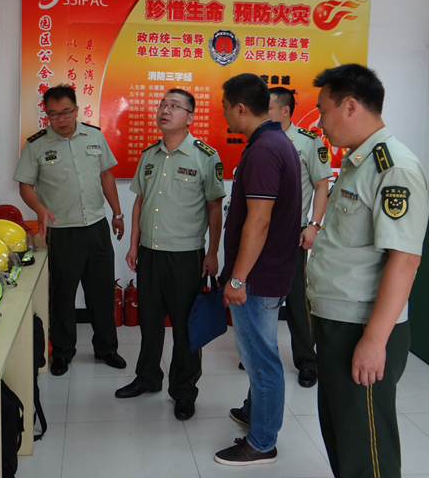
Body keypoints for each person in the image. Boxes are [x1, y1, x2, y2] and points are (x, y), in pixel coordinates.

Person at [308, 64, 429, 478]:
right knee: (343, 434)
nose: (320, 122)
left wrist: (375, 341)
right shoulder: (358, 163)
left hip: (362, 326)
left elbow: (405, 259)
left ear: (350, 106)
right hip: (338, 319)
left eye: (323, 111)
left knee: (367, 450)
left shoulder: (393, 168)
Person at [115, 89, 225, 421]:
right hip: (150, 253)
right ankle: (148, 378)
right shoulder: (149, 155)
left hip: (186, 256)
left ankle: (184, 390)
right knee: (149, 322)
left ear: (190, 117)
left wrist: (212, 252)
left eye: (174, 106)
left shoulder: (205, 156)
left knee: (185, 327)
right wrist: (133, 245)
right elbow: (139, 202)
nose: (165, 110)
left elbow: (215, 207)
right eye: (163, 105)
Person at [214, 73, 301, 466]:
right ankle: (255, 411)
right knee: (260, 351)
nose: (223, 116)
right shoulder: (275, 141)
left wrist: (237, 279)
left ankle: (262, 443)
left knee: (261, 359)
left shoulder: (265, 149)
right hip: (268, 271)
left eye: (225, 108)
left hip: (257, 277)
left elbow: (259, 221)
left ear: (240, 108)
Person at [14, 84, 127, 376]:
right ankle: (63, 352)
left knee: (102, 291)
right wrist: (39, 208)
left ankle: (107, 348)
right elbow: (25, 185)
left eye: (66, 112)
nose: (60, 119)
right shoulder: (36, 144)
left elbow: (106, 175)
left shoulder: (94, 136)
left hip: (97, 227)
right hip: (62, 231)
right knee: (62, 295)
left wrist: (117, 213)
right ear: (46, 114)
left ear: (76, 110)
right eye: (53, 114)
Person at [268, 87, 332, 388]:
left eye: (268, 107)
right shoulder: (260, 139)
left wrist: (314, 225)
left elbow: (322, 186)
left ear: (285, 110)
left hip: (292, 233)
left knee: (296, 299)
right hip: (260, 231)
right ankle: (260, 352)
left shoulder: (308, 142)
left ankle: (307, 361)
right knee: (259, 296)